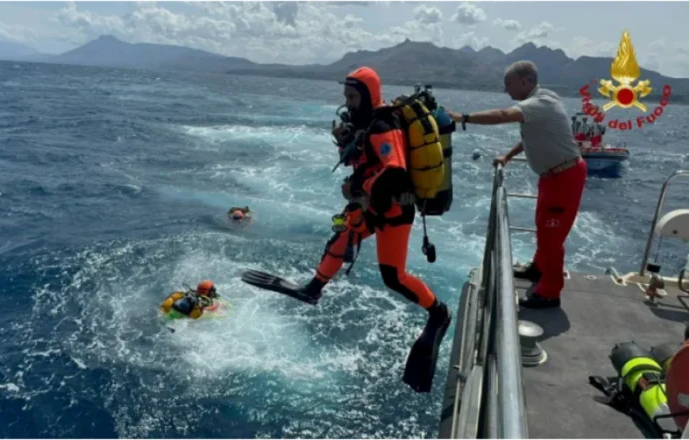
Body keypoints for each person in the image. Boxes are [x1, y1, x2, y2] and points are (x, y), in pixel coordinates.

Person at [242, 66, 451, 393]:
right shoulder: (366, 124)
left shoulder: (383, 125)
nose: (348, 103)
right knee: (343, 233)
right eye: (346, 97)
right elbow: (366, 161)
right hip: (370, 205)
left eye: (353, 97)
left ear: (368, 95)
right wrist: (346, 147)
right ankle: (313, 289)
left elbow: (394, 172)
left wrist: (358, 184)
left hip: (393, 209)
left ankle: (439, 312)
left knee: (393, 277)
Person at [448, 60, 587, 309]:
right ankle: (538, 268)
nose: (505, 90)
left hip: (565, 177)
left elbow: (503, 115)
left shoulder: (540, 102)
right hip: (552, 176)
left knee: (552, 236)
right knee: (543, 227)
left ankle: (550, 293)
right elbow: (534, 136)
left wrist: (462, 117)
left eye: (508, 84)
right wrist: (508, 156)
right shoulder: (540, 104)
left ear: (525, 82)